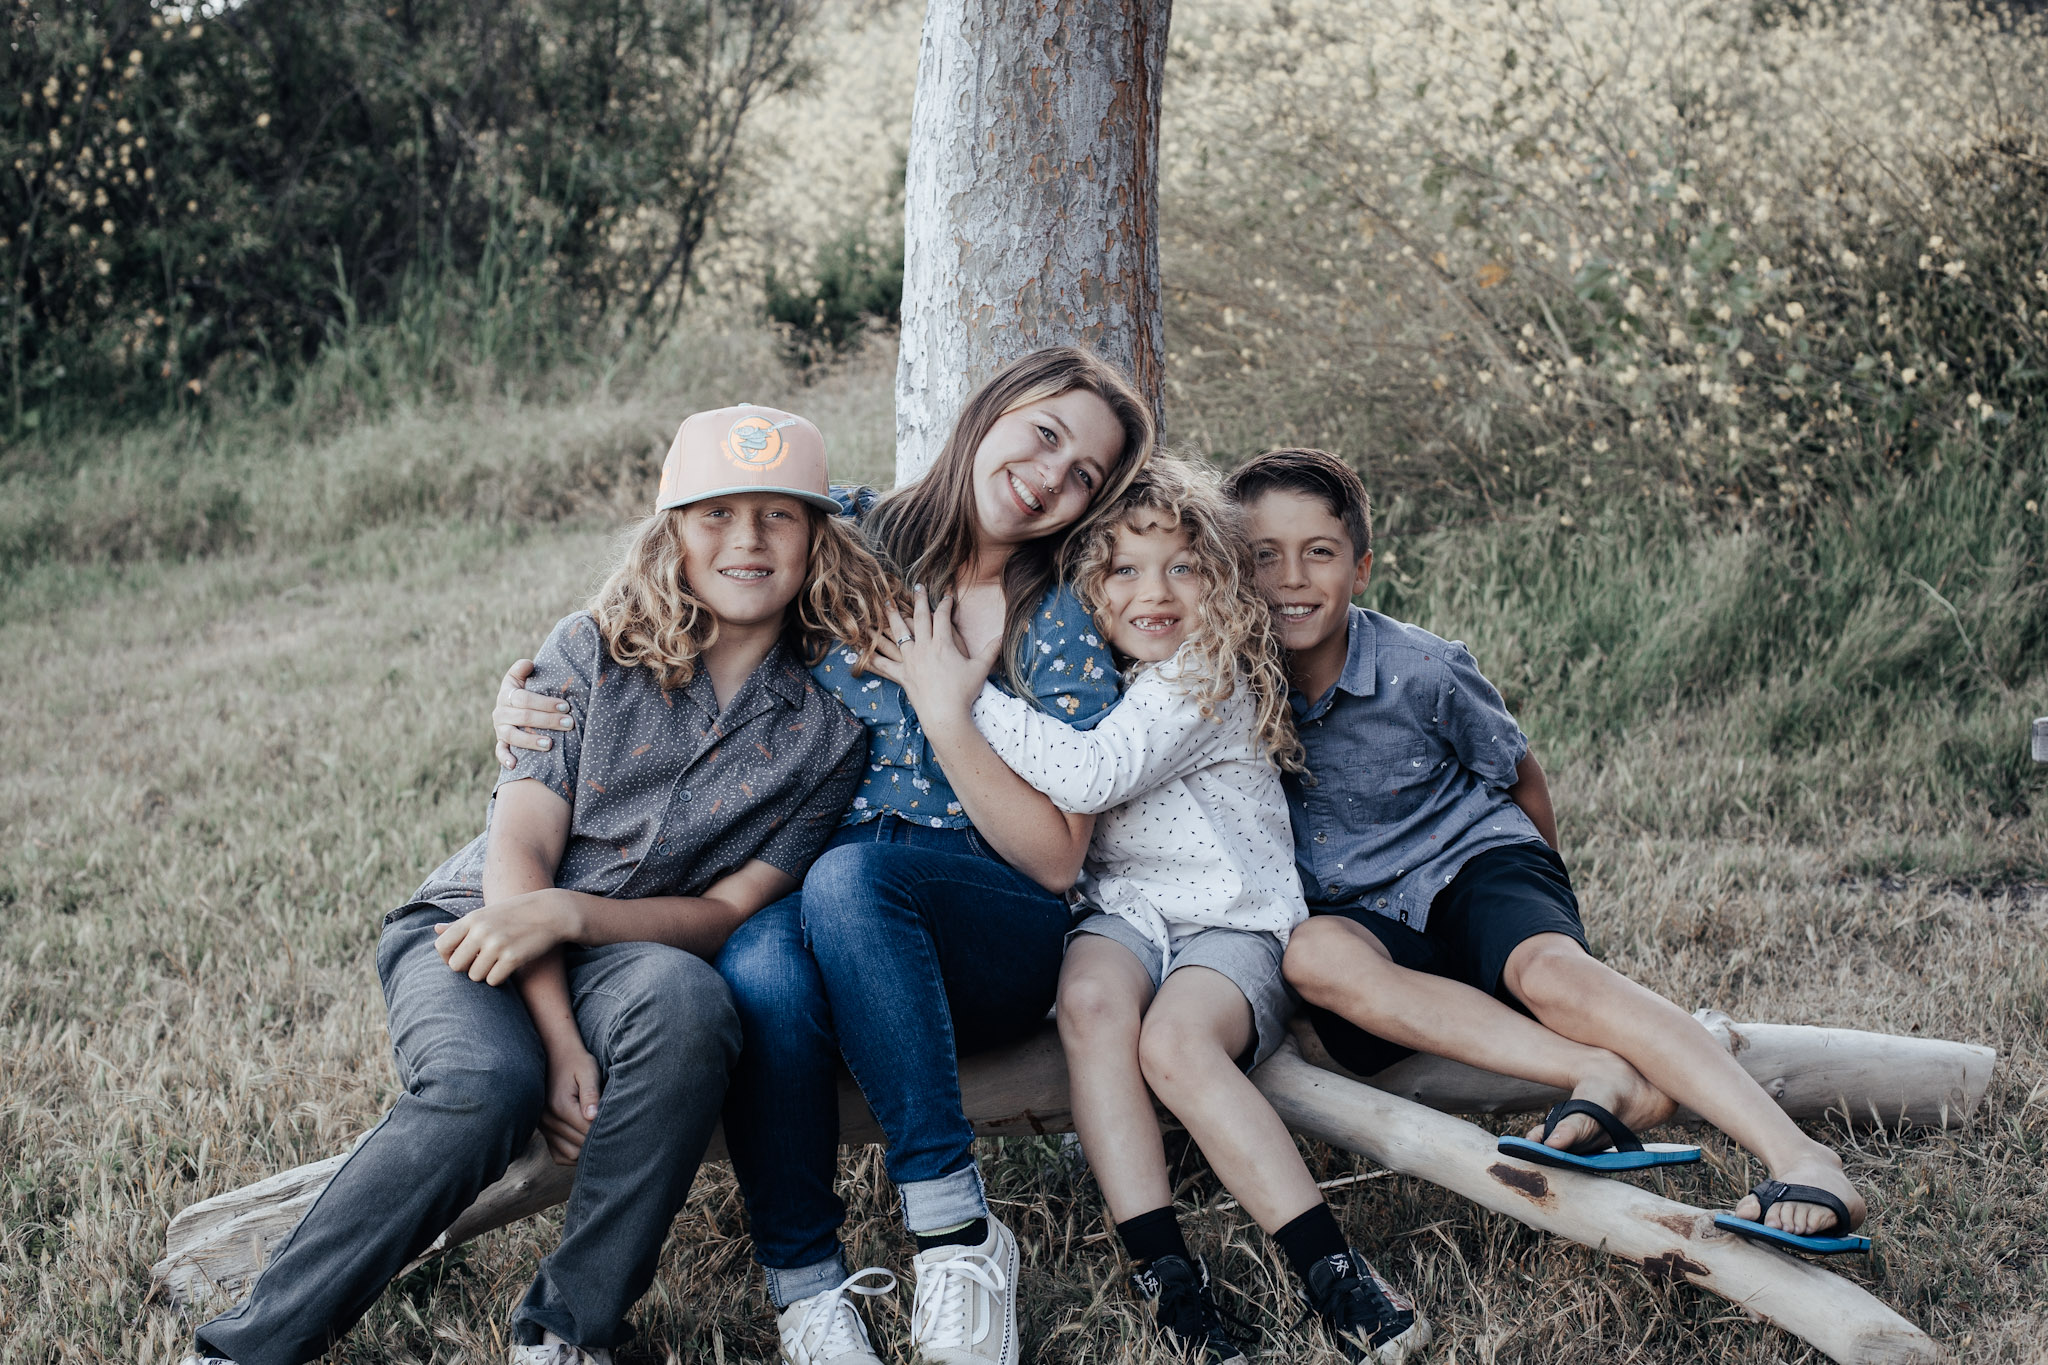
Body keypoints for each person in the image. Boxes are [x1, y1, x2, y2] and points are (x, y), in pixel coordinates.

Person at [184, 405, 889, 1365]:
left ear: (817, 538)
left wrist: (574, 913)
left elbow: (728, 909)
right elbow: (519, 843)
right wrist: (558, 1037)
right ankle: (246, 1346)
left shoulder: (826, 728)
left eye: (778, 516)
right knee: (489, 1085)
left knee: (691, 1004)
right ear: (671, 531)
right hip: (473, 926)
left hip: (622, 951)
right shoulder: (592, 649)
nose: (747, 540)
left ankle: (568, 1331)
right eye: (715, 513)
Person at [492, 346, 1157, 1365]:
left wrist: (946, 709)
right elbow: (666, 579)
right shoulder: (834, 534)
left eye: (1084, 476)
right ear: (989, 412)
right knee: (758, 963)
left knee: (855, 878)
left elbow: (1056, 863)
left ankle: (956, 1234)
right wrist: (531, 695)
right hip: (805, 908)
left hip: (983, 928)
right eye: (1044, 434)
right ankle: (807, 1292)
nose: (1050, 476)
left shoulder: (1055, 619)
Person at [1224, 446, 1869, 1256]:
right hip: (1364, 920)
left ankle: (1803, 1156)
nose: (1291, 577)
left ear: (1360, 568)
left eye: (1318, 551)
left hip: (1473, 864)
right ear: (1230, 568)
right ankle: (1600, 1073)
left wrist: (1544, 914)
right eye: (1262, 555)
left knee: (1551, 973)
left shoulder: (1422, 668)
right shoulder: (1226, 686)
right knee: (1312, 956)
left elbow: (1518, 774)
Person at [884, 455, 1434, 1365]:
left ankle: (1331, 1269)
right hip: (1128, 912)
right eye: (1124, 570)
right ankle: (1169, 1282)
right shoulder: (1094, 668)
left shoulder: (1208, 670)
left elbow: (1091, 773)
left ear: (1219, 578)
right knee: (1093, 1007)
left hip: (1232, 917)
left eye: (1184, 566)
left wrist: (954, 692)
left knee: (1173, 1044)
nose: (1156, 592)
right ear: (1088, 587)